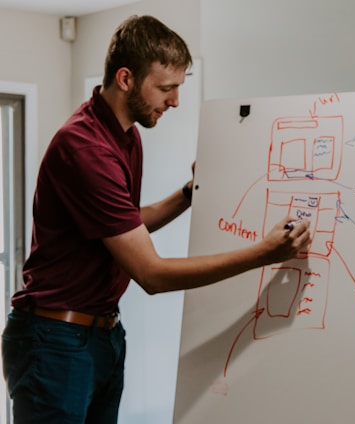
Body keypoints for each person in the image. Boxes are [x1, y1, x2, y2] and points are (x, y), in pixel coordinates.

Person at [1, 15, 310, 424]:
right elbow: (151, 274)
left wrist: (189, 193)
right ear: (126, 78)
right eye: (167, 88)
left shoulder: (125, 136)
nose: (175, 101)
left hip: (102, 335)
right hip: (56, 341)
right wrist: (264, 254)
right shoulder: (85, 147)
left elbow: (126, 223)